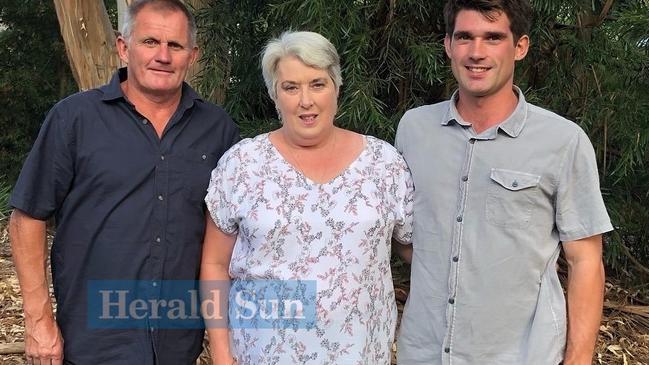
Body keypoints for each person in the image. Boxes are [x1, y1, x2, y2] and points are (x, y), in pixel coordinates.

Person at [9, 0, 239, 363]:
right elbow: (27, 219)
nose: (162, 56)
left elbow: (232, 233)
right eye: (150, 42)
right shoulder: (74, 120)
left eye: (175, 46)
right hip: (93, 341)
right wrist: (38, 320)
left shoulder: (218, 130)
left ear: (192, 55)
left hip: (177, 343)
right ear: (123, 46)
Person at [394, 1, 613, 364]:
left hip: (521, 355)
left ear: (520, 47)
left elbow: (586, 260)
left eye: (493, 37)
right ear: (448, 45)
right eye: (465, 37)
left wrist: (578, 359)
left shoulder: (563, 141)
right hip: (424, 351)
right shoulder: (414, 130)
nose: (476, 52)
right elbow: (405, 233)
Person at [200, 30, 413, 365]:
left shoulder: (383, 163)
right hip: (262, 356)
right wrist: (223, 354)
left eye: (317, 84)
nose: (306, 100)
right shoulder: (242, 164)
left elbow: (416, 248)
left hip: (359, 355)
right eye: (290, 87)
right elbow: (214, 264)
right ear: (274, 95)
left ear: (336, 88)